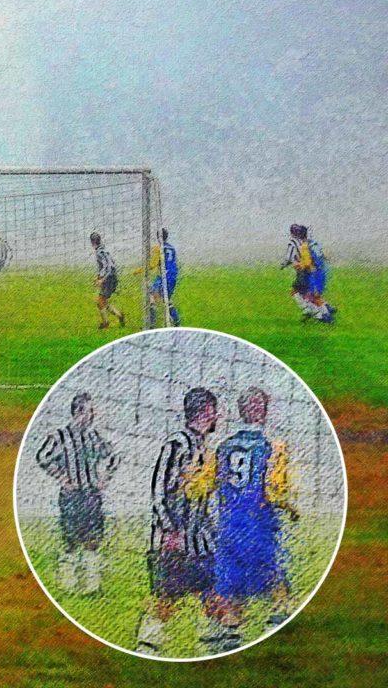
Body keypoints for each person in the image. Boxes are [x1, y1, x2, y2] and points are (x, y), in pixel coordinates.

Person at [206, 387, 295, 652]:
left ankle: (231, 636)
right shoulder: (271, 447)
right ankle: (275, 625)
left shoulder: (223, 447)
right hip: (259, 524)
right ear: (263, 412)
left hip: (229, 527)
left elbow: (208, 483)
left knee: (232, 584)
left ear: (241, 412)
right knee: (275, 577)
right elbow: (274, 490)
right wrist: (290, 508)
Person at [136, 387, 220, 655]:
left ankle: (212, 648)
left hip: (199, 541)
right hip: (173, 539)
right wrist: (169, 529)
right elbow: (158, 490)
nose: (218, 415)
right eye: (214, 410)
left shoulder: (205, 448)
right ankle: (147, 649)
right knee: (164, 598)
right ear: (206, 410)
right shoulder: (177, 443)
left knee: (212, 592)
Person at [35, 393, 119, 594]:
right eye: (89, 411)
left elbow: (114, 456)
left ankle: (92, 587)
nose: (93, 415)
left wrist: (105, 478)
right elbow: (42, 456)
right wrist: (62, 477)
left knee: (93, 541)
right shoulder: (60, 436)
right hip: (71, 497)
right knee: (71, 541)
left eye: (93, 411)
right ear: (78, 412)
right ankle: (68, 585)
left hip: (91, 495)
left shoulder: (94, 436)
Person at [280, 224, 334, 324]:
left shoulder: (296, 244)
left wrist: (295, 265)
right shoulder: (312, 243)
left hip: (308, 272)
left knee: (302, 293)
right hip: (319, 271)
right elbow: (321, 255)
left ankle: (319, 314)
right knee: (310, 293)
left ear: (293, 233)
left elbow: (302, 261)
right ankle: (324, 309)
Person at [138, 228, 180, 327]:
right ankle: (177, 322)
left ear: (158, 237)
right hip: (172, 276)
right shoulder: (172, 248)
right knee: (166, 300)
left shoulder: (158, 248)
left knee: (152, 296)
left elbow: (152, 265)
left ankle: (151, 324)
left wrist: (139, 270)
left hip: (164, 276)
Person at [90, 232, 125, 329]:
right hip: (112, 277)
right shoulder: (104, 250)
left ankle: (106, 323)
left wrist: (102, 279)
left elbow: (107, 267)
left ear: (92, 242)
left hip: (109, 278)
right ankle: (119, 315)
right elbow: (108, 265)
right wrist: (98, 277)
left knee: (100, 301)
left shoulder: (99, 252)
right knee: (102, 301)